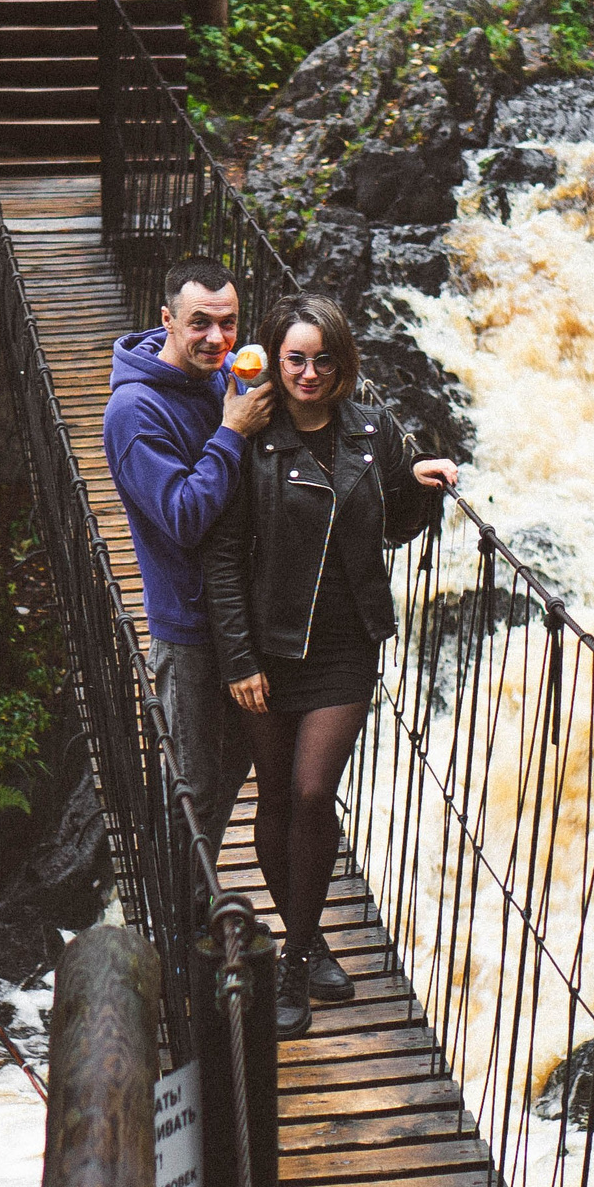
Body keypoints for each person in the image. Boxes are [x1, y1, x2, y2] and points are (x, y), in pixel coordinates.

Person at [205, 293, 460, 1036]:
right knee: (277, 797)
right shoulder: (252, 436)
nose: (308, 373)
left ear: (341, 360)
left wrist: (421, 487)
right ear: (273, 362)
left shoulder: (374, 431)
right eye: (295, 359)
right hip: (268, 651)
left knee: (314, 793)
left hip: (345, 646)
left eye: (322, 359)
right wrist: (238, 656)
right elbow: (222, 557)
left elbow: (389, 528)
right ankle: (310, 939)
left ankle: (290, 962)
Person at [104, 258, 274, 848]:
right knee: (195, 788)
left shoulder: (222, 372)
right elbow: (182, 516)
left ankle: (196, 911)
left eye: (228, 324)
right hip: (189, 623)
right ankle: (178, 922)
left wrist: (405, 469)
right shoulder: (132, 413)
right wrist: (232, 431)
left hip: (241, 610)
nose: (217, 340)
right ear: (167, 320)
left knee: (232, 771)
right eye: (199, 323)